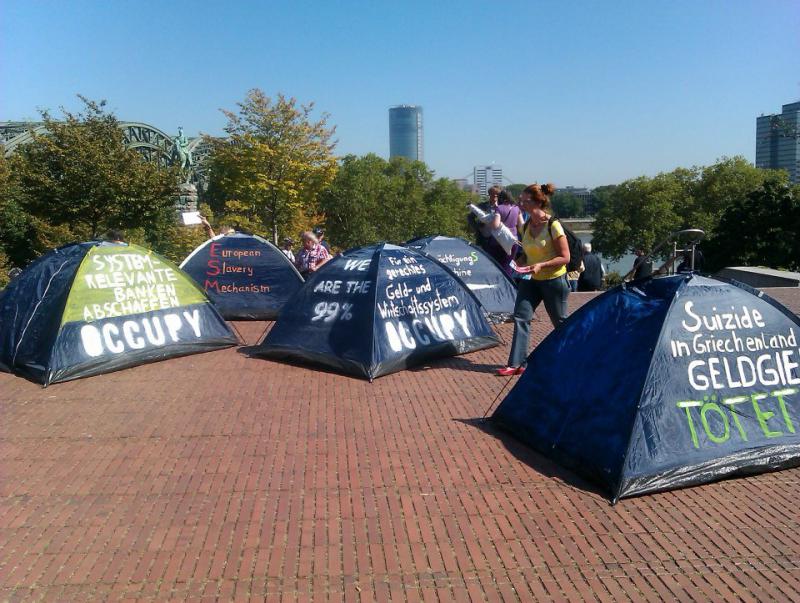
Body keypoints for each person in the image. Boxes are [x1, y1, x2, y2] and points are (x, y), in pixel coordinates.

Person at [497, 183, 570, 376]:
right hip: (530, 279)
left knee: (560, 322)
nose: (520, 203)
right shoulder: (527, 225)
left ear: (538, 202)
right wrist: (517, 262)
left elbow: (565, 257)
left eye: (525, 200)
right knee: (521, 316)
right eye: (520, 200)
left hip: (553, 279)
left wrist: (542, 265)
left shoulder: (553, 225)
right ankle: (517, 363)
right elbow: (526, 253)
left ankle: (574, 357)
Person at [486, 188, 521, 276]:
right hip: (514, 241)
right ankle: (510, 284)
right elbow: (522, 225)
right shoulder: (516, 208)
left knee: (497, 266)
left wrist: (488, 222)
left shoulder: (499, 208)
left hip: (499, 242)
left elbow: (495, 225)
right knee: (508, 265)